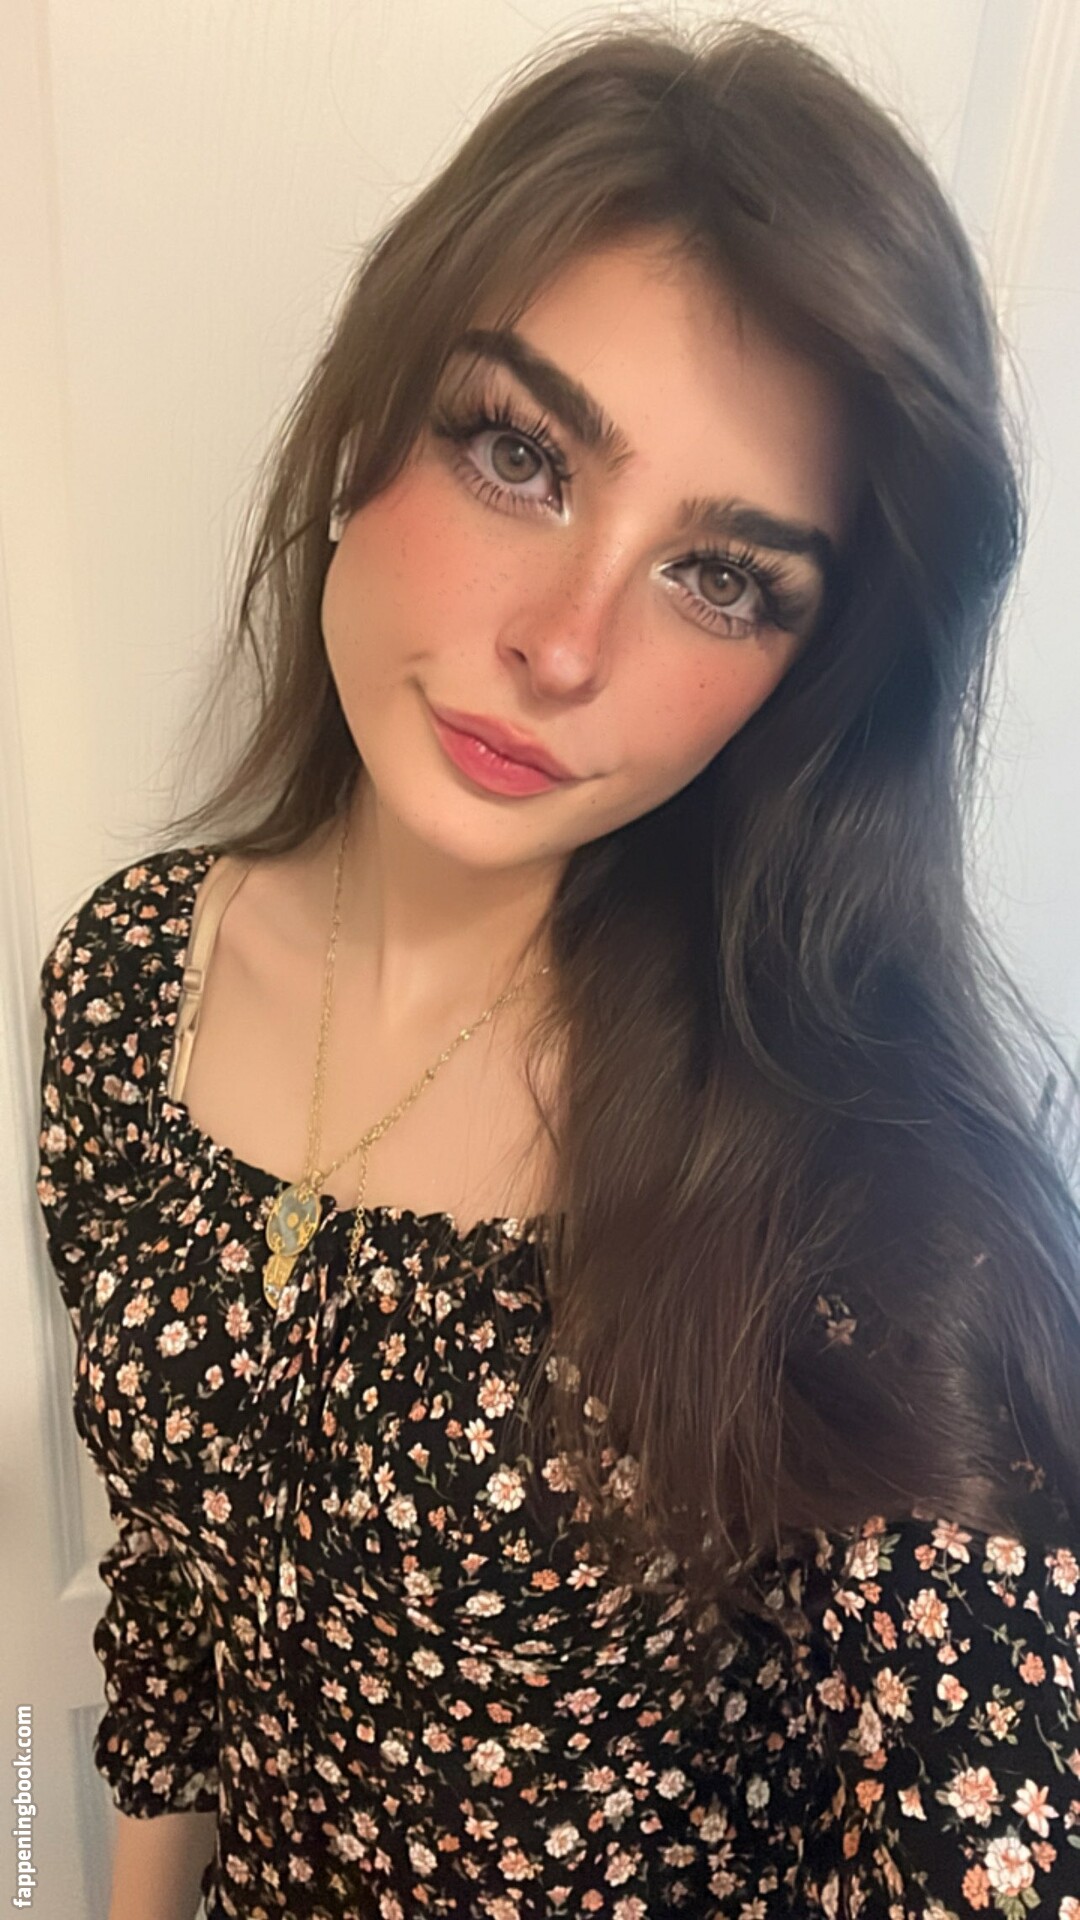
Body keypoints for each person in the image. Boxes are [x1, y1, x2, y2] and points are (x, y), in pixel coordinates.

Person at [35, 17, 1080, 1920]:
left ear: (804, 681)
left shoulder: (855, 1195)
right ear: (368, 420)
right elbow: (173, 1622)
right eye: (520, 454)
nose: (568, 646)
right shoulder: (123, 983)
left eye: (722, 577)